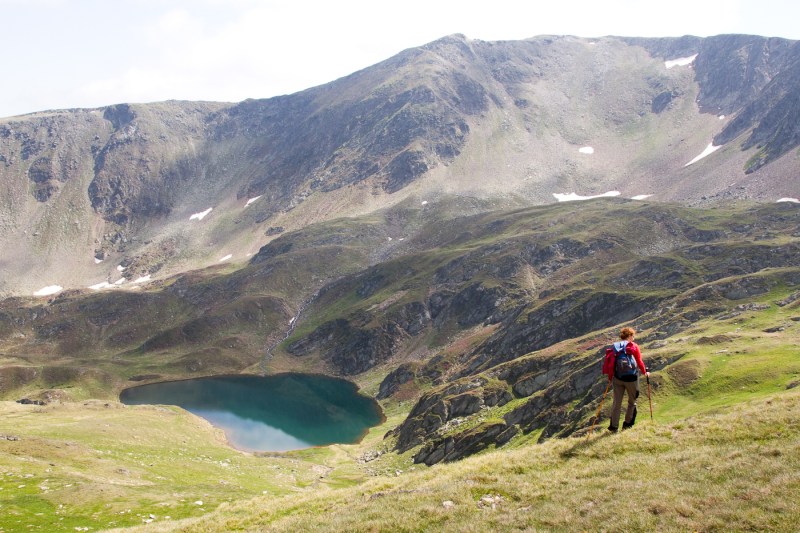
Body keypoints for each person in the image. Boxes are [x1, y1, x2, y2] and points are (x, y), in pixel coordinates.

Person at [607, 327, 649, 432]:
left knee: (617, 403)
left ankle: (614, 427)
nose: (633, 337)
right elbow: (639, 361)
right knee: (632, 402)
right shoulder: (633, 346)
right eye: (633, 335)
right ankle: (627, 425)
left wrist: (610, 377)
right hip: (632, 379)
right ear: (629, 336)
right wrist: (645, 372)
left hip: (618, 378)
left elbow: (611, 363)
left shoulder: (615, 346)